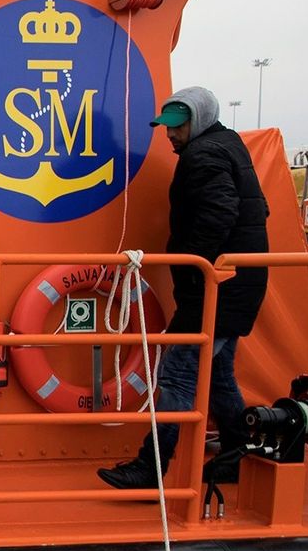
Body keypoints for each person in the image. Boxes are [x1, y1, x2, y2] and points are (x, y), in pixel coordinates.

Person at [99, 85, 269, 489]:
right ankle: (236, 455)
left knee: (176, 374)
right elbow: (257, 207)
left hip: (217, 288)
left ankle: (151, 466)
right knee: (218, 373)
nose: (171, 135)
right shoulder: (228, 144)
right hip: (237, 282)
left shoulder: (204, 154)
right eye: (167, 127)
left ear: (201, 119)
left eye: (179, 126)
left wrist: (193, 263)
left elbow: (220, 212)